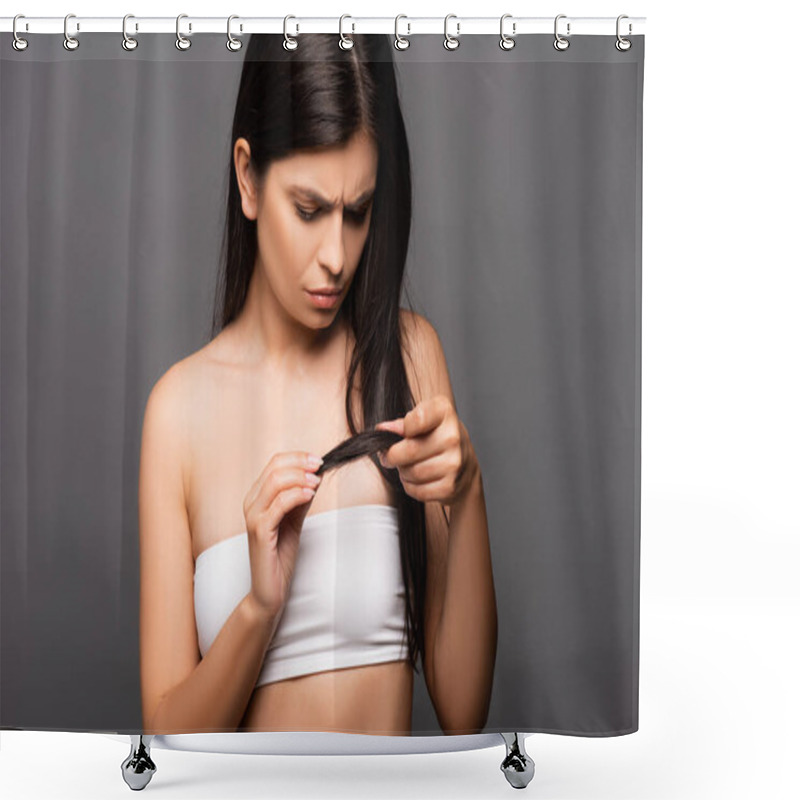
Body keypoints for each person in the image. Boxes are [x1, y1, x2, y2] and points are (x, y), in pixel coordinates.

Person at [138, 33, 497, 736]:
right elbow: (162, 742)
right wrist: (258, 610)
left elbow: (463, 710)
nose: (336, 257)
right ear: (248, 178)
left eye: (357, 212)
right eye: (308, 210)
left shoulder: (409, 355)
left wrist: (469, 491)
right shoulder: (177, 412)